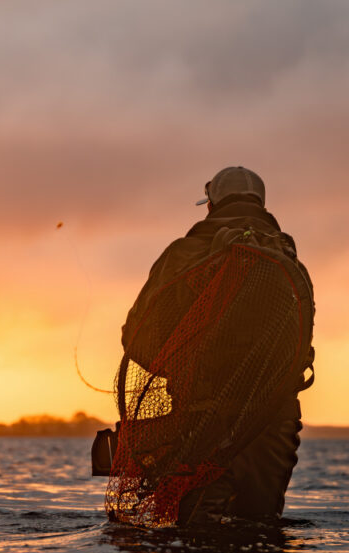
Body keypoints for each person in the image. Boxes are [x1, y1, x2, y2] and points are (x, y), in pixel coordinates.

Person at [102, 166, 315, 525]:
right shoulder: (288, 258)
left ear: (211, 205)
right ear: (261, 205)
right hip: (273, 425)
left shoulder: (184, 253)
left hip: (200, 423)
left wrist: (178, 365)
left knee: (196, 537)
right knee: (261, 534)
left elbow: (136, 337)